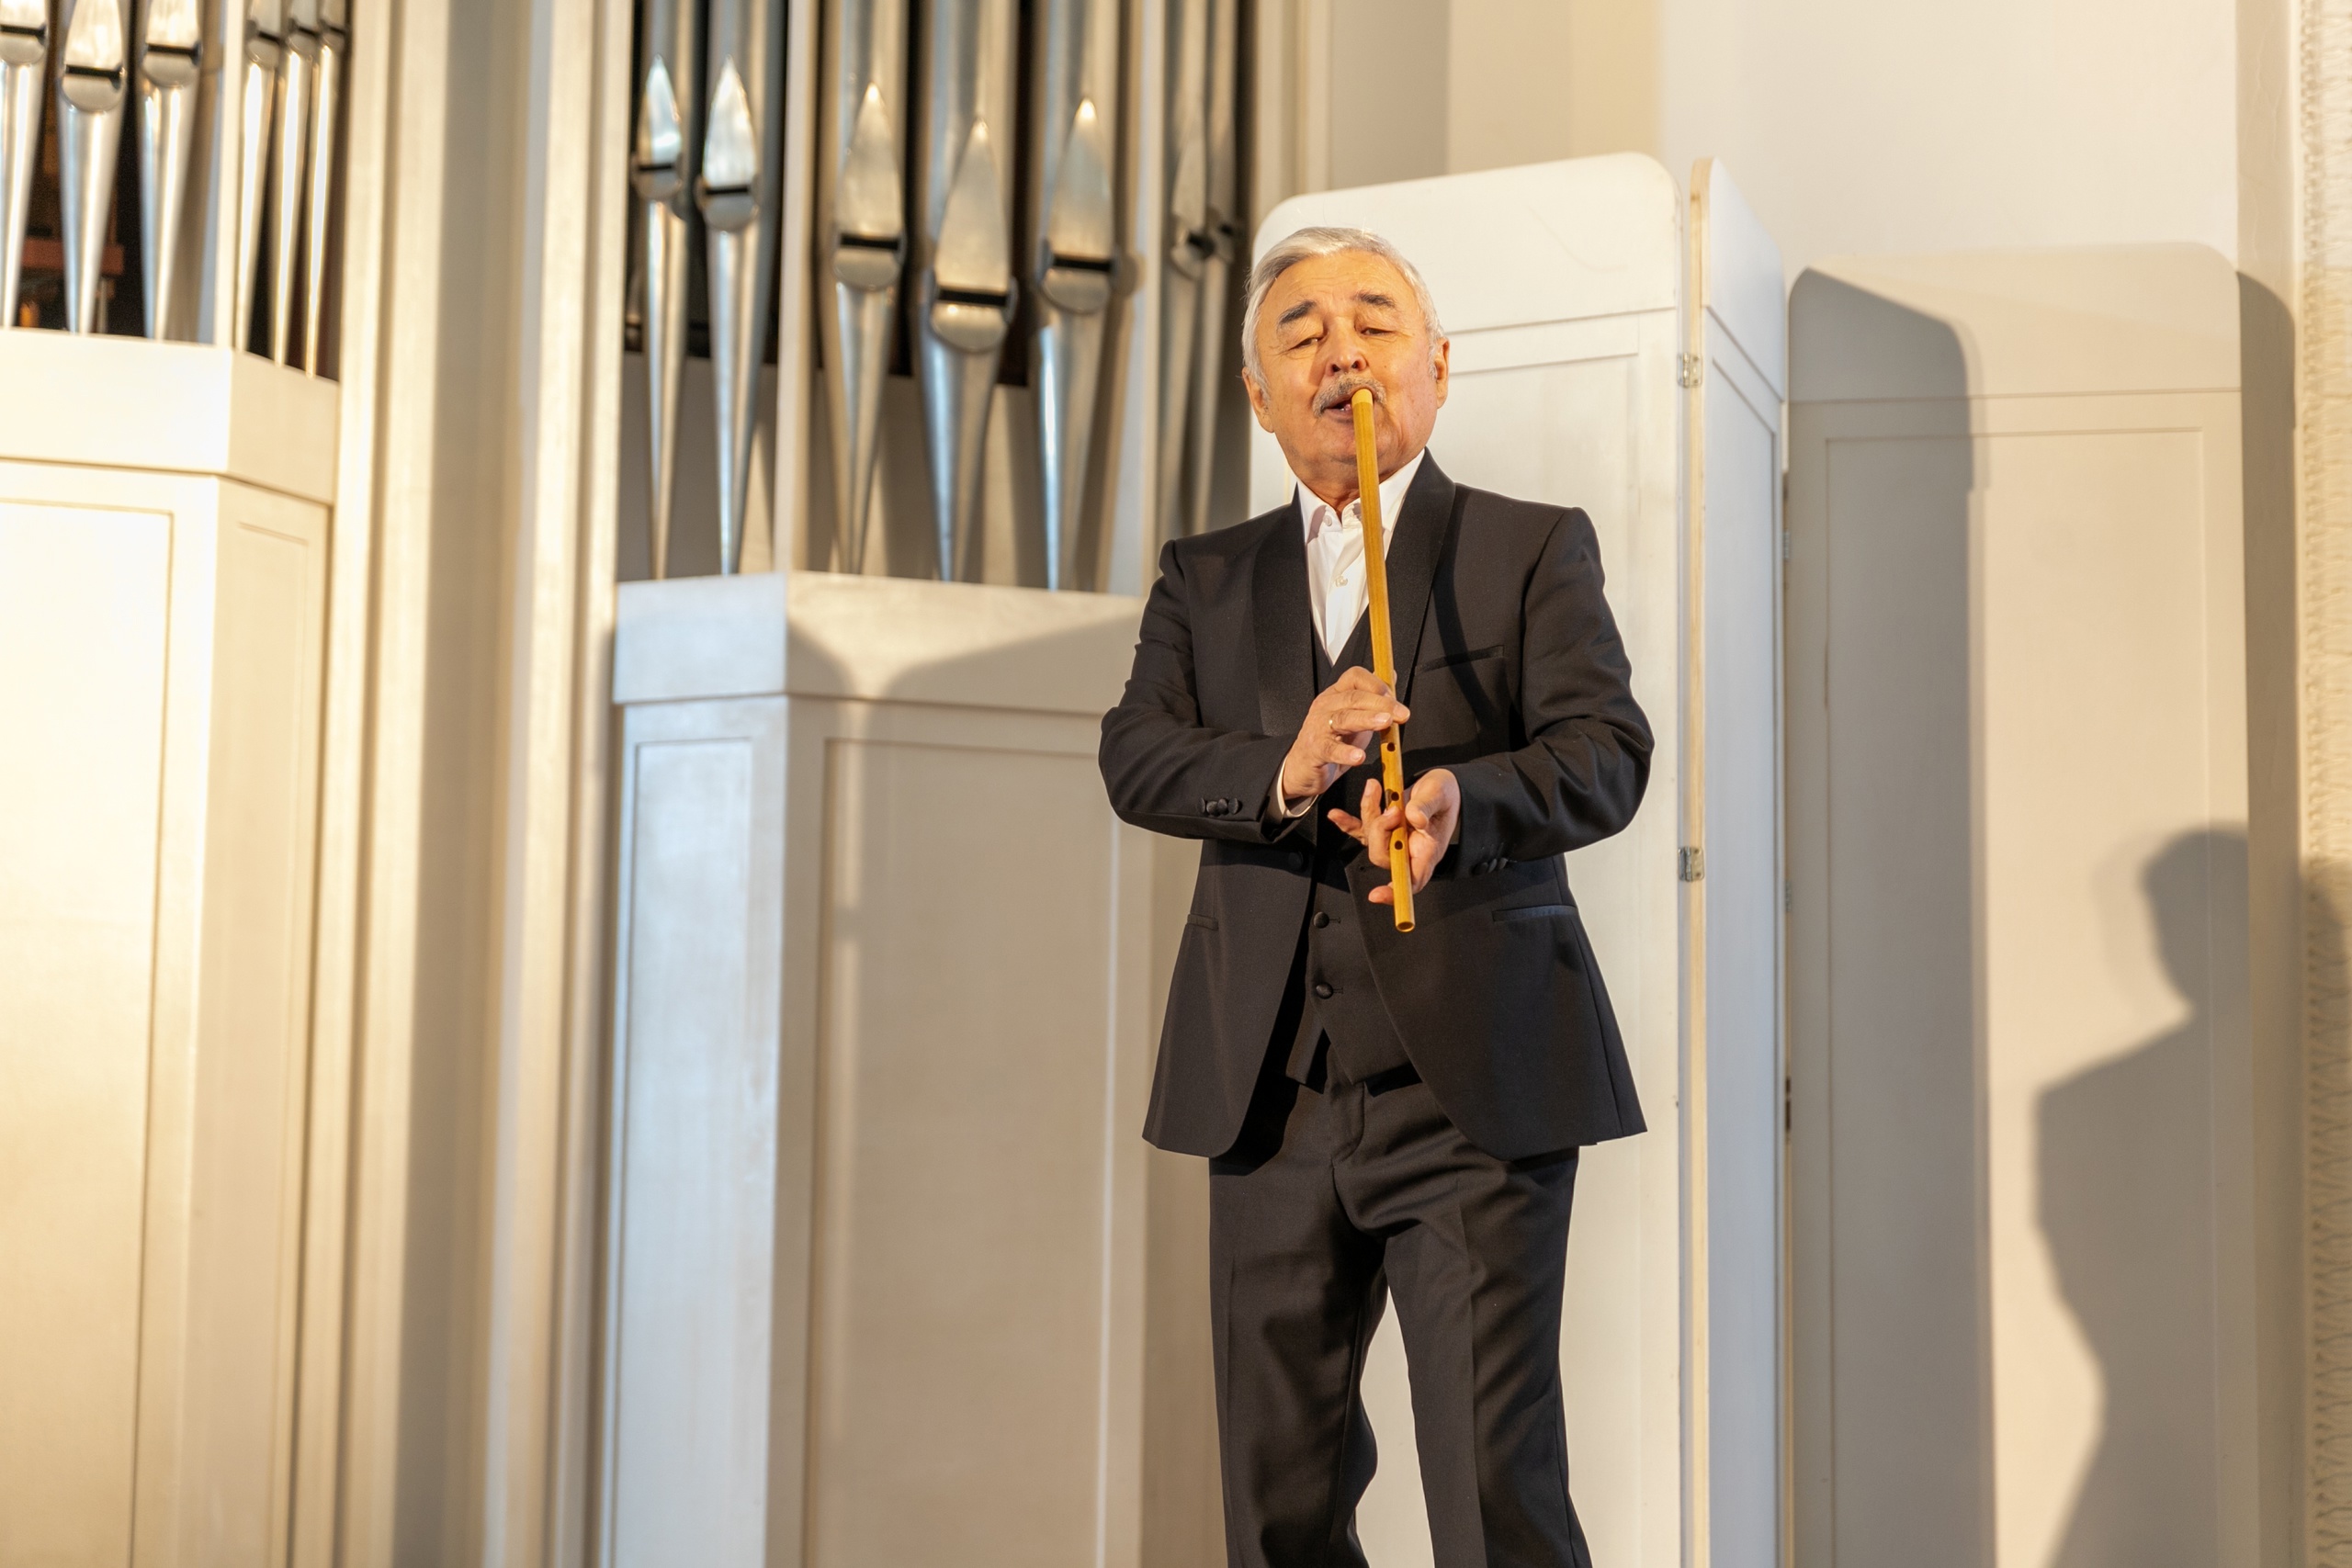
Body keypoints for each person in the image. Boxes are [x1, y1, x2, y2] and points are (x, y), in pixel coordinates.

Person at [1098, 226, 1653, 1566]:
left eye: (1375, 322)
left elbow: (1606, 752)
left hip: (1472, 1091)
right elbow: (1137, 756)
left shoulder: (1528, 549)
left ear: (1437, 369)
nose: (1341, 350)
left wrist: (1470, 803)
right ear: (1259, 396)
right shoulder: (1203, 575)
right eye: (1302, 333)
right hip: (1268, 1095)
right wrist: (1284, 769)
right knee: (1276, 1504)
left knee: (1493, 1495)